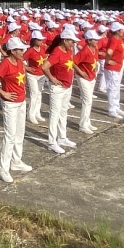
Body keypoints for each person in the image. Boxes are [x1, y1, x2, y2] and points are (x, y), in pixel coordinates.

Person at [0, 37, 33, 183]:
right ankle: (3, 169)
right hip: (10, 104)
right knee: (10, 135)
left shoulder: (20, 61)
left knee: (20, 133)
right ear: (12, 51)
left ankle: (16, 161)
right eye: (20, 49)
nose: (22, 51)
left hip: (21, 102)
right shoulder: (5, 63)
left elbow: (22, 75)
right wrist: (3, 93)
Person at [41, 25, 79, 154]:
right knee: (55, 114)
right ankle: (52, 142)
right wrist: (52, 78)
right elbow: (44, 66)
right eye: (71, 41)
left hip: (67, 86)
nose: (73, 43)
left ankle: (62, 137)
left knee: (63, 112)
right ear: (65, 40)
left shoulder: (68, 51)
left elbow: (70, 64)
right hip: (58, 88)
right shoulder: (57, 52)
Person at [74, 30, 101, 134]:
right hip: (83, 77)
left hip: (91, 77)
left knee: (89, 101)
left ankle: (87, 121)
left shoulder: (94, 49)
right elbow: (73, 61)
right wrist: (81, 72)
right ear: (89, 41)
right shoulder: (84, 51)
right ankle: (83, 125)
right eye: (95, 40)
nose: (97, 41)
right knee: (87, 100)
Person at [103, 22, 124, 119]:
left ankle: (116, 106)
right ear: (117, 31)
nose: (123, 31)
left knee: (116, 88)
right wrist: (108, 60)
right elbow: (109, 52)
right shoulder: (114, 40)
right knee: (112, 88)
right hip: (112, 68)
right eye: (121, 30)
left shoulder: (119, 40)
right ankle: (112, 109)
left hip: (117, 68)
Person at [23, 30, 46, 124]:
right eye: (39, 40)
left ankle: (37, 113)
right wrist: (26, 67)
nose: (41, 41)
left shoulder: (43, 48)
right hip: (32, 75)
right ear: (34, 40)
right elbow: (20, 59)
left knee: (39, 94)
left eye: (41, 40)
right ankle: (30, 115)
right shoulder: (30, 51)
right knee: (34, 94)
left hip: (41, 75)